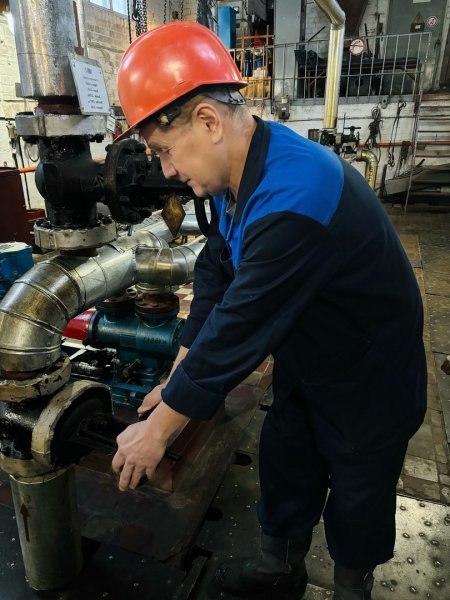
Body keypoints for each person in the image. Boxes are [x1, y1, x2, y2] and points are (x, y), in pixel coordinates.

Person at [111, 21, 427, 600]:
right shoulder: (244, 169)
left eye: (164, 151)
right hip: (309, 356)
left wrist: (158, 431)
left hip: (369, 377)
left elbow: (241, 327)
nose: (167, 171)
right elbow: (216, 270)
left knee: (358, 499)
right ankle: (278, 571)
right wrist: (179, 372)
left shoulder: (296, 194)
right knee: (287, 467)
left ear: (207, 120)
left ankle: (352, 590)